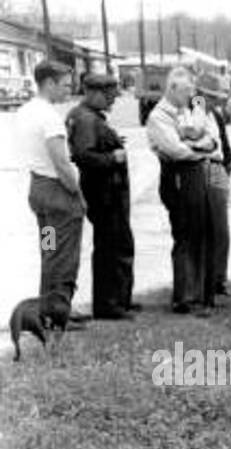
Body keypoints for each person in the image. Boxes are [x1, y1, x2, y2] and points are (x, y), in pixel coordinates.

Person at [147, 67, 220, 314]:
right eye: (187, 91)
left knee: (202, 231)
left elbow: (211, 135)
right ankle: (185, 296)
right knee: (186, 234)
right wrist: (200, 146)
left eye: (193, 91)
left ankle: (200, 292)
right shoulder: (159, 115)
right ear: (173, 89)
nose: (191, 95)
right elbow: (175, 150)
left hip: (195, 172)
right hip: (178, 175)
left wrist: (195, 142)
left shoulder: (190, 108)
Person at [15, 60, 84, 312]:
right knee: (64, 254)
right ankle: (59, 309)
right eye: (65, 85)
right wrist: (76, 191)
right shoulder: (50, 118)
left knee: (49, 249)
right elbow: (61, 163)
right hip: (58, 193)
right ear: (49, 83)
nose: (70, 90)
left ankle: (47, 303)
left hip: (39, 190)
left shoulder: (26, 111)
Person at [67, 72, 135, 319]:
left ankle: (120, 298)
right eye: (108, 97)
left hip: (107, 192)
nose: (112, 102)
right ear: (94, 93)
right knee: (110, 248)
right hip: (104, 193)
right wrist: (112, 157)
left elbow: (90, 147)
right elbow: (83, 156)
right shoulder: (85, 119)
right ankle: (109, 305)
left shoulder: (87, 116)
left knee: (118, 244)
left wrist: (112, 141)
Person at [194, 76, 231, 299]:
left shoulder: (215, 115)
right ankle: (205, 281)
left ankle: (219, 277)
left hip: (218, 168)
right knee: (205, 228)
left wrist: (227, 165)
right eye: (212, 97)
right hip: (202, 167)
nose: (216, 102)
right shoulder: (192, 114)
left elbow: (225, 143)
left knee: (221, 230)